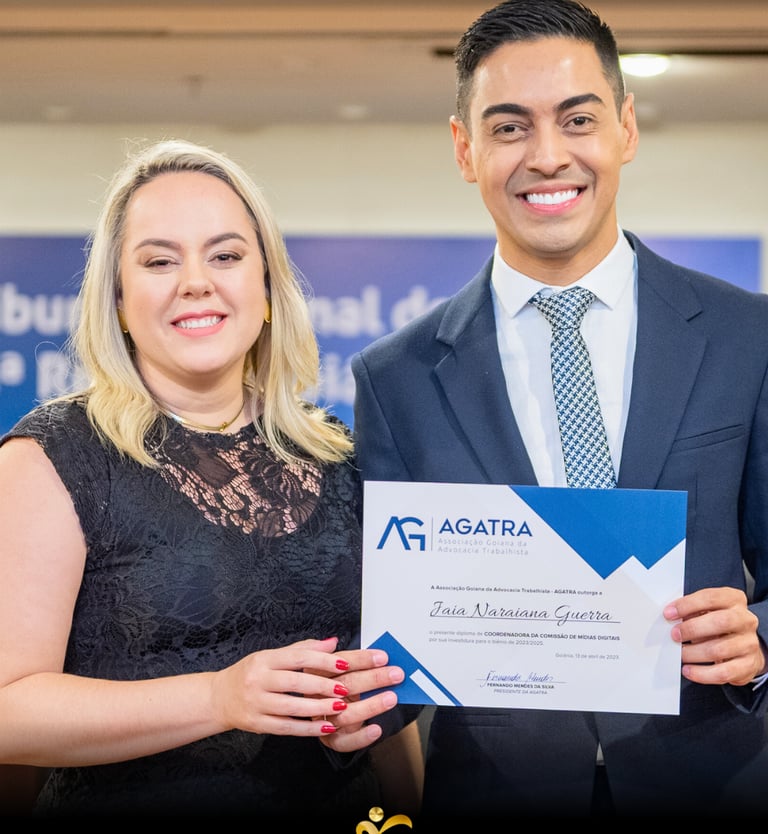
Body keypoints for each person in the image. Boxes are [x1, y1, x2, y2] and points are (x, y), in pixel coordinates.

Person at [351, 0, 768, 820]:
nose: (547, 156)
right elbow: (390, 634)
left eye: (577, 119)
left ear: (625, 128)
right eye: (509, 128)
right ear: (465, 149)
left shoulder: (746, 336)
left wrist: (759, 637)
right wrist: (353, 704)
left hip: (714, 780)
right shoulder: (395, 377)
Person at [0, 138, 423, 821]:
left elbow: (382, 697)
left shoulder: (338, 453)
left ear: (266, 285)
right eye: (159, 261)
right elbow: (8, 712)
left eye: (225, 256)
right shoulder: (54, 456)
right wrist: (217, 698)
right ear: (118, 297)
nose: (196, 282)